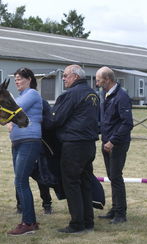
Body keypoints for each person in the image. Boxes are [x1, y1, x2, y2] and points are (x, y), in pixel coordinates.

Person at [47, 64, 99, 234]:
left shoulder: (71, 94)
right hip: (89, 144)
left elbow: (56, 119)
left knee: (71, 183)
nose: (63, 78)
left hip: (74, 144)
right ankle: (88, 222)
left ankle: (77, 224)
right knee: (85, 182)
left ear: (75, 77)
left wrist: (41, 120)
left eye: (66, 76)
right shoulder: (93, 94)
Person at [7, 67, 42, 236]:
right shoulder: (22, 96)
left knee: (20, 181)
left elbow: (15, 109)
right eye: (15, 79)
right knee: (20, 181)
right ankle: (31, 221)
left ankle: (27, 223)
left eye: (19, 78)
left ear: (29, 79)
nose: (17, 82)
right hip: (19, 142)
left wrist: (8, 119)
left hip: (29, 141)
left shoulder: (32, 94)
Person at [96, 66, 133, 224]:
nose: (97, 83)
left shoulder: (121, 96)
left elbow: (127, 123)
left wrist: (113, 141)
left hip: (116, 143)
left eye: (98, 80)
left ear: (108, 80)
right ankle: (115, 208)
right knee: (112, 177)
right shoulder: (106, 94)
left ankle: (120, 214)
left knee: (116, 177)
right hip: (107, 142)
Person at [16, 97, 54, 215]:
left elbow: (48, 122)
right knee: (20, 176)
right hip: (22, 142)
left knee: (39, 174)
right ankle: (20, 205)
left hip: (37, 142)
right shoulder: (20, 102)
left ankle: (46, 204)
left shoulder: (42, 102)